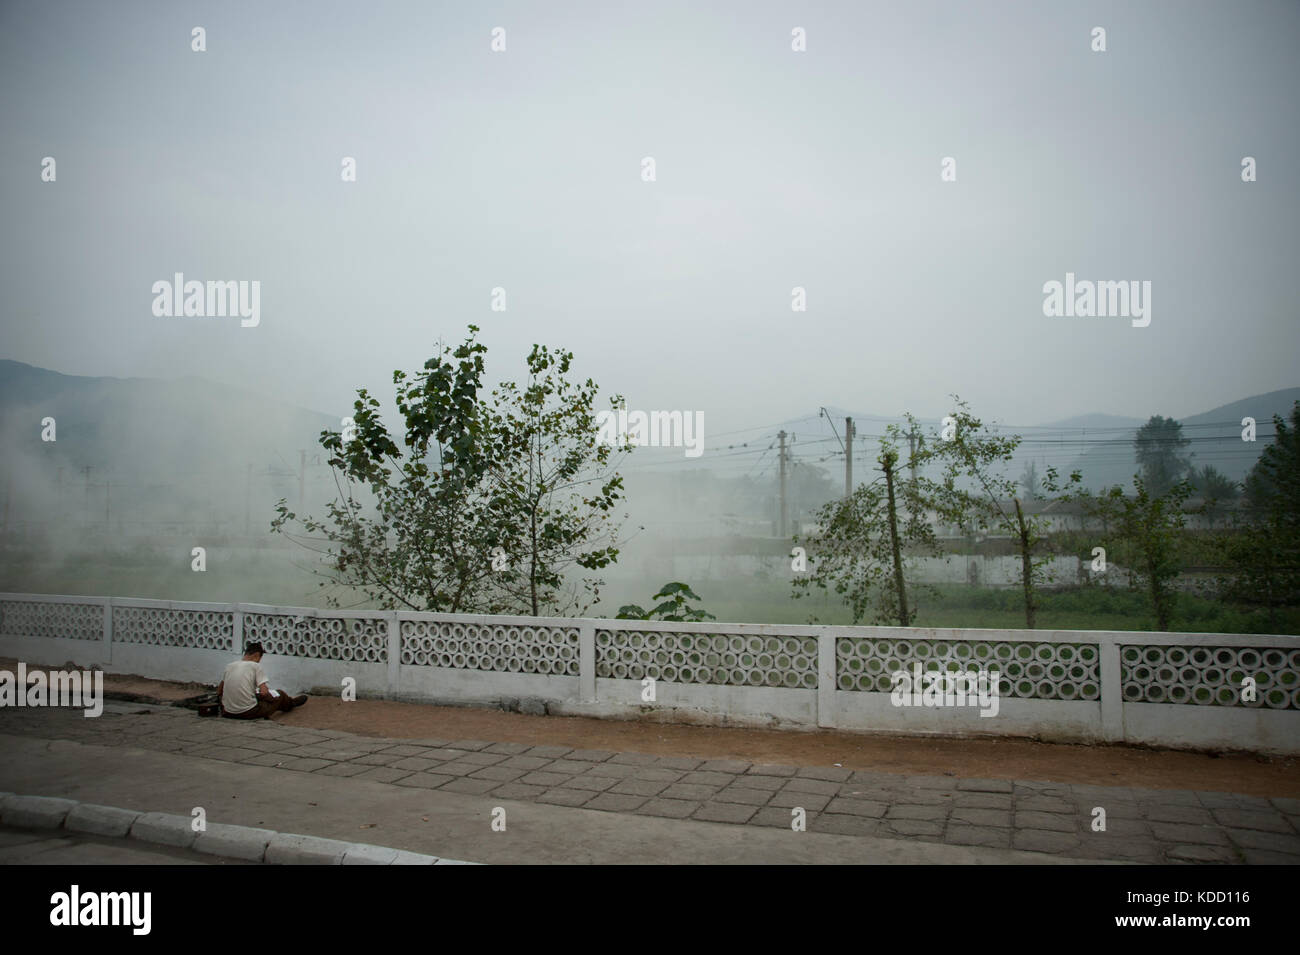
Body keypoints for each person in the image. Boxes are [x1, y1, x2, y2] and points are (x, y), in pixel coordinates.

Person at [217, 642, 307, 719]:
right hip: (248, 712)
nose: (259, 662)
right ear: (256, 655)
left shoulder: (230, 666)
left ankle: (287, 702)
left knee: (255, 696)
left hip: (228, 712)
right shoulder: (255, 666)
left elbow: (219, 691)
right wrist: (270, 697)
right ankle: (291, 703)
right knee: (280, 694)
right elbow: (264, 692)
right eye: (259, 659)